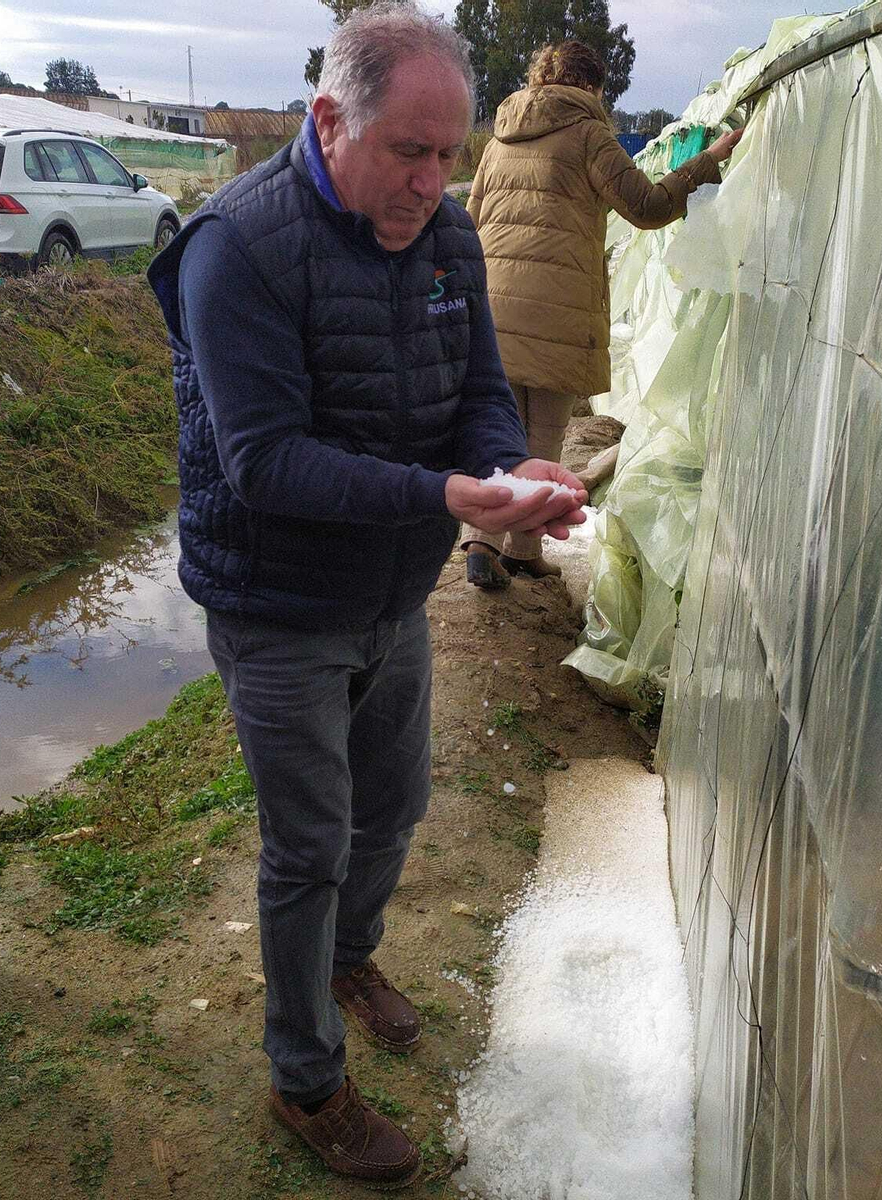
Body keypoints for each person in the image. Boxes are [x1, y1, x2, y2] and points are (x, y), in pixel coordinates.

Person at [146, 1, 586, 1187]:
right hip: (277, 603)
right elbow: (266, 463)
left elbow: (482, 391)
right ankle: (306, 1081)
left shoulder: (445, 235)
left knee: (389, 812)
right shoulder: (236, 247)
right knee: (308, 844)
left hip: (392, 597)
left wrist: (508, 468)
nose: (431, 182)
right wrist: (451, 495)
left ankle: (352, 958)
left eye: (448, 155)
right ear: (327, 119)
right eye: (408, 151)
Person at [461, 39, 742, 588]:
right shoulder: (590, 135)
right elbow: (648, 207)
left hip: (493, 306)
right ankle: (522, 548)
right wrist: (708, 160)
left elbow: (468, 221)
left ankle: (480, 539)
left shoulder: (498, 140)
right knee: (542, 434)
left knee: (496, 427)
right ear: (592, 86)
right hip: (557, 312)